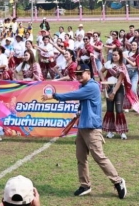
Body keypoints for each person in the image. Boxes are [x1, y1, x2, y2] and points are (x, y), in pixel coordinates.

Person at [42, 62, 127, 200]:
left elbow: (74, 95)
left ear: (88, 73)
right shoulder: (84, 86)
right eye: (77, 74)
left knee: (99, 157)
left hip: (92, 129)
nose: (78, 76)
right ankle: (85, 185)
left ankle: (118, 181)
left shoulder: (92, 86)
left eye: (80, 74)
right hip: (82, 127)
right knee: (81, 158)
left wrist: (54, 96)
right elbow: (84, 103)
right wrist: (79, 112)